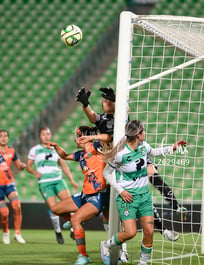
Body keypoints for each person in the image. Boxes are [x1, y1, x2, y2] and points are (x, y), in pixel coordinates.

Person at [76, 87, 187, 236]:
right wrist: (85, 104)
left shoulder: (122, 116)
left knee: (152, 178)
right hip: (119, 162)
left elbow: (126, 109)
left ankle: (175, 208)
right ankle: (160, 230)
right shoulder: (101, 120)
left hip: (136, 155)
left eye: (110, 100)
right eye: (105, 100)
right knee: (134, 197)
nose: (107, 102)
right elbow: (92, 117)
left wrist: (116, 99)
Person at [99, 120, 187, 265]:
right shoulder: (120, 154)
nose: (145, 133)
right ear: (138, 134)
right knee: (130, 233)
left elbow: (155, 152)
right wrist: (120, 191)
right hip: (127, 198)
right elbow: (107, 173)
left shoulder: (143, 147)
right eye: (143, 131)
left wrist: (173, 148)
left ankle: (143, 262)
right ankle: (106, 245)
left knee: (149, 232)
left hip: (144, 197)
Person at [49, 126, 109, 265]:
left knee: (76, 219)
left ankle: (83, 256)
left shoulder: (98, 148)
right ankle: (74, 220)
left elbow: (108, 138)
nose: (75, 138)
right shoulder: (81, 155)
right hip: (84, 195)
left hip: (98, 196)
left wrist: (92, 137)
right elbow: (64, 156)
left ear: (84, 137)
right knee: (55, 209)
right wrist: (57, 147)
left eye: (77, 135)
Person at [26, 127, 78, 244]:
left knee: (70, 205)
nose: (46, 136)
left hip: (58, 180)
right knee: (55, 209)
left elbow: (64, 165)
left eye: (48, 134)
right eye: (43, 134)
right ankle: (58, 231)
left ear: (50, 135)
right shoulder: (35, 150)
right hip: (45, 183)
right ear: (40, 136)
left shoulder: (56, 149)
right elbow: (28, 166)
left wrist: (71, 180)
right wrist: (35, 172)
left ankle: (73, 228)